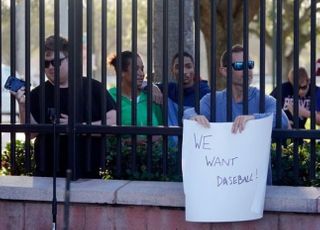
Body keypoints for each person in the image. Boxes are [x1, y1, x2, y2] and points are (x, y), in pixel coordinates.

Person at [11, 35, 117, 179]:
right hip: (46, 173)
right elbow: (31, 134)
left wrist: (77, 127)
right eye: (45, 63)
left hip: (87, 173)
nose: (50, 67)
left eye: (55, 62)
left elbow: (112, 123)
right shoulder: (37, 94)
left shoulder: (93, 87)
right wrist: (22, 106)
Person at [184, 44, 290, 185]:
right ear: (224, 71)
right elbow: (188, 113)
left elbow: (282, 120)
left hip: (256, 189)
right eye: (240, 65)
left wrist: (253, 119)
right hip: (220, 185)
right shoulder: (212, 100)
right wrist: (193, 117)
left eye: (249, 64)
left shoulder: (263, 99)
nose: (247, 70)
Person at [149, 52, 211, 126]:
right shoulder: (169, 89)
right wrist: (153, 86)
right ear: (172, 70)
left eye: (188, 67)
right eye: (178, 67)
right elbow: (141, 85)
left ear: (194, 69)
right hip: (172, 136)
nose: (184, 71)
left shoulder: (206, 93)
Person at [108, 51, 163, 127]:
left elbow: (162, 130)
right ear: (122, 72)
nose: (142, 74)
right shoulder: (110, 97)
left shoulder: (151, 98)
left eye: (142, 69)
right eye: (136, 69)